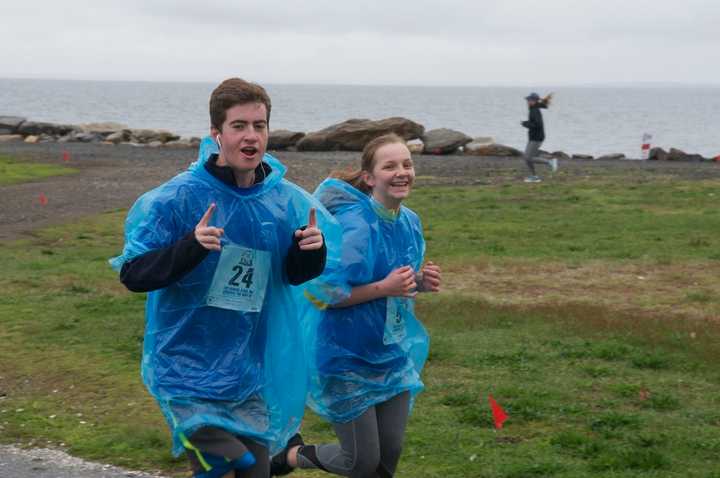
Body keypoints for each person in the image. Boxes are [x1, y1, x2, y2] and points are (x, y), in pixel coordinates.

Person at [110, 77, 340, 478]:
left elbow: (291, 275)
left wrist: (311, 249)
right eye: (239, 126)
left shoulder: (281, 199)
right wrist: (191, 246)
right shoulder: (177, 198)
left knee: (255, 471)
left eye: (260, 125)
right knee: (232, 464)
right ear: (217, 134)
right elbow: (134, 273)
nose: (251, 136)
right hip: (186, 368)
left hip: (246, 369)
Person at [271, 134, 441, 478]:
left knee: (388, 456)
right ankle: (287, 456)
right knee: (360, 460)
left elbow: (395, 280)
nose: (401, 172)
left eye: (407, 164)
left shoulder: (409, 222)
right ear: (369, 177)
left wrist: (419, 282)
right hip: (345, 356)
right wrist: (385, 287)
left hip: (390, 352)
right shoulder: (355, 225)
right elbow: (324, 294)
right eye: (390, 166)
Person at [521, 92, 557, 183]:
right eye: (527, 100)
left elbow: (537, 124)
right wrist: (527, 123)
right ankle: (534, 176)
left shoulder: (534, 111)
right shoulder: (533, 109)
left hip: (536, 138)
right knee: (527, 157)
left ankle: (550, 162)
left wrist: (526, 124)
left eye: (529, 100)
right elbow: (535, 123)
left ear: (534, 101)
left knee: (528, 157)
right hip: (533, 137)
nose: (527, 101)